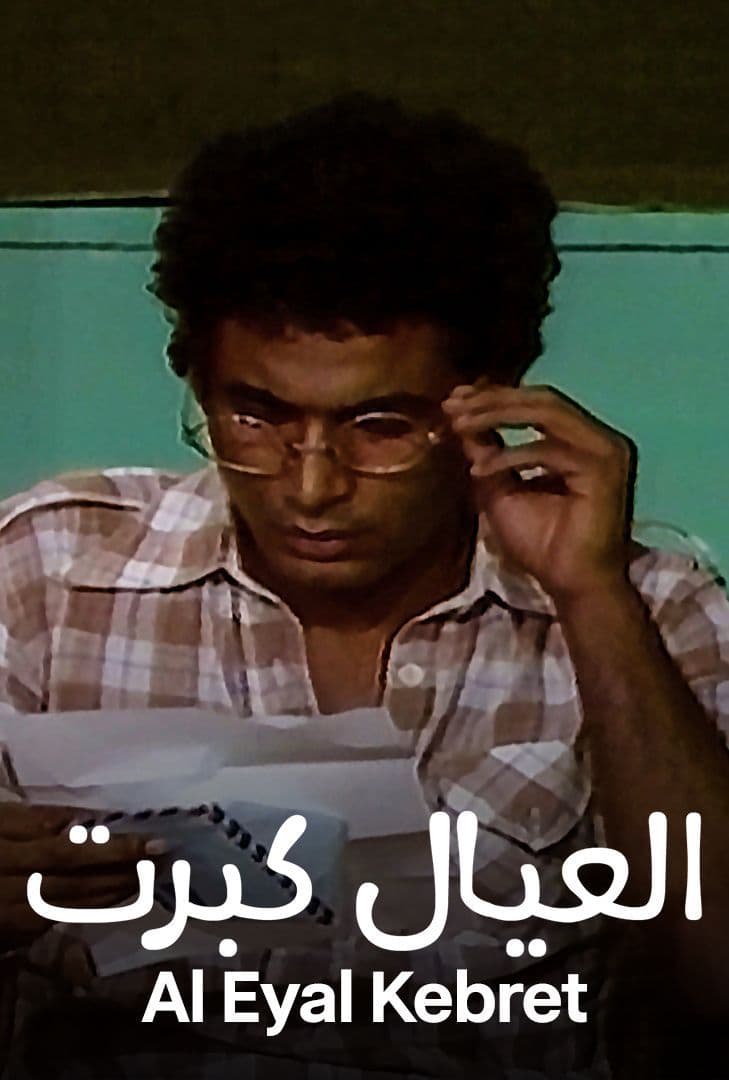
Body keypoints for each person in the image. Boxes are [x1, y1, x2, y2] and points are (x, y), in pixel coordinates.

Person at [1, 93, 728, 1079]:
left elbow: (718, 984)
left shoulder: (650, 607)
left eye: (381, 427)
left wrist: (592, 597)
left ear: (489, 398)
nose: (310, 487)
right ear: (198, 382)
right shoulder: (49, 570)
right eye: (255, 417)